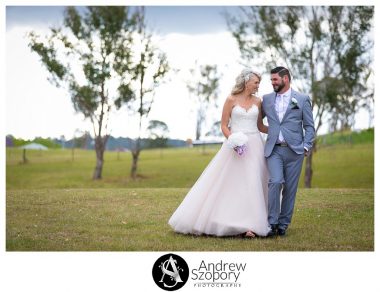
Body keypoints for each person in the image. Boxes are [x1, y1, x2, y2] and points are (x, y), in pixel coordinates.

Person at [168, 69, 270, 238]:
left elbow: (260, 126)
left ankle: (251, 225)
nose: (258, 86)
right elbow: (223, 125)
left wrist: (280, 131)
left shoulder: (258, 102)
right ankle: (226, 220)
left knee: (253, 184)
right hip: (234, 146)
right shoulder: (231, 99)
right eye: (256, 82)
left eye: (259, 83)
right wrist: (234, 140)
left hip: (255, 146)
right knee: (232, 185)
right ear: (246, 82)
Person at [261, 66, 315, 237]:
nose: (272, 83)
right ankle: (272, 223)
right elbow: (255, 117)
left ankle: (283, 225)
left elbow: (309, 127)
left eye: (275, 79)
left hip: (295, 152)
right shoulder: (267, 99)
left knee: (290, 189)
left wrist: (306, 146)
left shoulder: (302, 98)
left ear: (285, 79)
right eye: (271, 80)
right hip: (274, 150)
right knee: (275, 182)